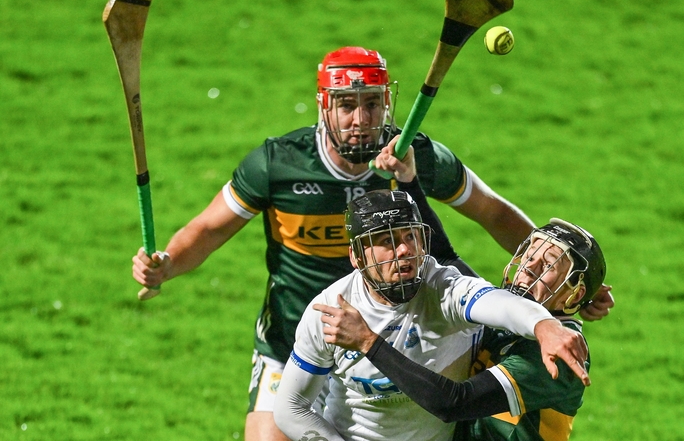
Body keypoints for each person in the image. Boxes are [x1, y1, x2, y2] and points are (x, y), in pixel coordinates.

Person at [131, 46, 574, 440]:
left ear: (387, 104)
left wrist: (567, 272)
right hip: (292, 335)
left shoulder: (414, 156)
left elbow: (494, 212)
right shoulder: (279, 164)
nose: (360, 120)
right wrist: (168, 264)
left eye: (371, 104)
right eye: (346, 105)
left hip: (399, 338)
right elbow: (210, 228)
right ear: (325, 106)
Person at [272, 187, 593, 441]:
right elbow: (290, 407)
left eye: (549, 263)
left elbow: (454, 403)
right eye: (387, 241)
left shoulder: (560, 354)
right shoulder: (329, 310)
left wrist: (544, 324)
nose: (404, 251)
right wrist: (409, 177)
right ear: (356, 255)